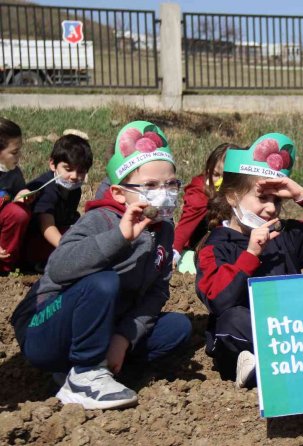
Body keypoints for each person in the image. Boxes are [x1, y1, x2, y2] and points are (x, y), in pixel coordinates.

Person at [11, 121, 192, 410]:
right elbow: (58, 268)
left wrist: (123, 338)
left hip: (105, 327)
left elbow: (157, 292)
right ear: (120, 193)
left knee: (177, 328)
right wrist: (119, 237)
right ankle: (84, 375)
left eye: (171, 184)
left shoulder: (164, 230)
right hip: (46, 327)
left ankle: (98, 367)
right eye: (150, 185)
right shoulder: (101, 219)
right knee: (103, 282)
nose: (164, 193)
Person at [195, 133, 303, 388]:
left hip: (291, 328)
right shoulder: (215, 246)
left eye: (277, 200)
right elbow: (218, 300)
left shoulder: (284, 236)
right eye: (262, 198)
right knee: (232, 321)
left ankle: (299, 361)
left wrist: (301, 194)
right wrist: (250, 255)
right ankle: (264, 365)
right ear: (232, 196)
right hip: (248, 334)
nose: (270, 208)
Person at [22, 134, 93, 271]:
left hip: (55, 234)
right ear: (53, 165)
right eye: (68, 169)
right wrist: (67, 249)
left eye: (81, 171)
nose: (74, 176)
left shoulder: (74, 189)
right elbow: (46, 227)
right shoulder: (47, 189)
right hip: (34, 242)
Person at [173, 143, 235, 273]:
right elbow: (185, 225)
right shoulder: (200, 192)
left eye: (226, 176)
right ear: (208, 172)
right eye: (216, 174)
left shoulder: (242, 192)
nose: (220, 181)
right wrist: (173, 253)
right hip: (201, 246)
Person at [0, 118, 31, 274]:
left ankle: (6, 266)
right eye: (14, 152)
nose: (19, 156)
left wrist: (22, 196)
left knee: (19, 212)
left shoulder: (14, 174)